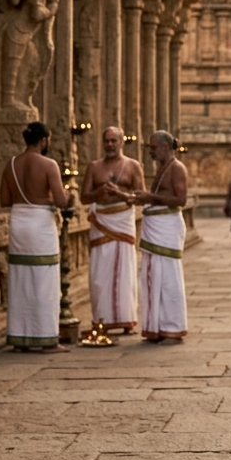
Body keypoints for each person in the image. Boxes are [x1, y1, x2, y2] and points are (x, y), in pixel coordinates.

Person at [0, 121, 70, 352]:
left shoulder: (10, 164)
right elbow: (61, 201)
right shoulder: (49, 164)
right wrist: (66, 194)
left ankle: (20, 338)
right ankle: (47, 339)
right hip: (40, 226)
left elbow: (5, 201)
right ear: (43, 140)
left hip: (19, 223)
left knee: (21, 280)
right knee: (44, 281)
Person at [81, 126, 145, 332]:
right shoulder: (94, 167)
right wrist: (98, 192)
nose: (110, 145)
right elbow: (84, 197)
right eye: (106, 141)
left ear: (122, 142)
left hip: (122, 221)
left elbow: (140, 197)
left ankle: (126, 319)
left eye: (113, 141)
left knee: (124, 271)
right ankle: (102, 319)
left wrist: (121, 193)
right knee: (100, 273)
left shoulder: (133, 166)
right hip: (101, 221)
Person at [130, 131, 188, 342]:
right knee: (153, 276)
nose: (151, 152)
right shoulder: (163, 168)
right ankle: (157, 326)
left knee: (168, 278)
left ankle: (172, 326)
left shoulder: (177, 168)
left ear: (165, 147)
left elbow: (180, 199)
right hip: (156, 227)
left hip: (167, 228)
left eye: (153, 148)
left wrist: (150, 197)